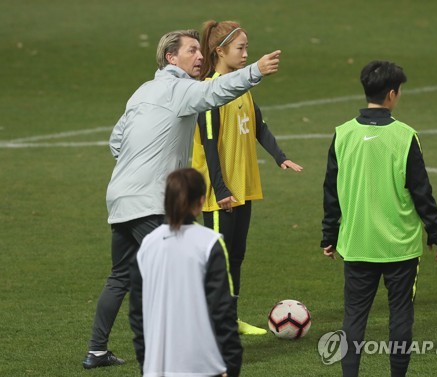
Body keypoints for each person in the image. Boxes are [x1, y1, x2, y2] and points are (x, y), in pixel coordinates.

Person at [82, 28, 282, 370]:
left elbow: (116, 141)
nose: (200, 56)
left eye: (199, 51)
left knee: (120, 276)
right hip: (151, 202)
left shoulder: (142, 92)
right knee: (178, 277)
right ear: (170, 58)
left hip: (120, 197)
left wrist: (138, 167)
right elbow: (218, 91)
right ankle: (189, 351)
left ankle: (97, 350)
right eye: (191, 51)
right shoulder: (180, 90)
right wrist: (256, 71)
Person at [320, 60, 437, 377]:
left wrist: (329, 236)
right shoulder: (405, 137)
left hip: (357, 243)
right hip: (400, 247)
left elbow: (331, 192)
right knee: (401, 314)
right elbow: (422, 192)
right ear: (391, 94)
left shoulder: (343, 134)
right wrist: (436, 234)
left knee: (353, 317)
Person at [191, 20, 303, 336]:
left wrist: (280, 157)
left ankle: (228, 318)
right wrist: (221, 187)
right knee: (219, 261)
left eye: (247, 48)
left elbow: (259, 126)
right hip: (218, 191)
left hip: (242, 187)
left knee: (236, 255)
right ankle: (210, 327)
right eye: (240, 48)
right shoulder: (209, 93)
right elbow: (210, 144)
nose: (245, 54)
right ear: (220, 51)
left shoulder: (241, 89)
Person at [137, 168, 241, 377]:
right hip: (202, 366)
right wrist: (232, 364)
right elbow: (222, 310)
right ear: (202, 201)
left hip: (156, 369)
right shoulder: (209, 242)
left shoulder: (147, 244)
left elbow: (137, 316)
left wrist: (146, 364)